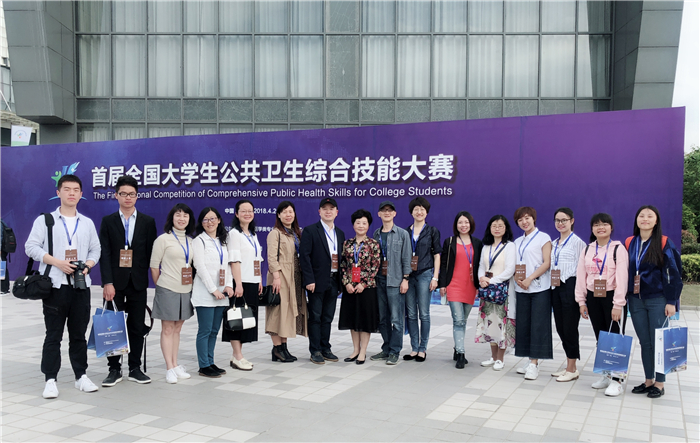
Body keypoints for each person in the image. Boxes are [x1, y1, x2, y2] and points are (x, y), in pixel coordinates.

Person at [25, 174, 101, 399]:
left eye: (76, 190)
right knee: (53, 335)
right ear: (58, 193)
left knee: (78, 335)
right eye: (67, 189)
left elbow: (95, 250)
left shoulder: (86, 223)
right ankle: (50, 379)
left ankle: (81, 376)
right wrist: (57, 262)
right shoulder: (45, 220)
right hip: (55, 286)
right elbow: (31, 247)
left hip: (80, 286)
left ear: (81, 194)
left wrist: (88, 266)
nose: (71, 193)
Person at [98, 175, 157, 387]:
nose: (128, 197)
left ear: (137, 196)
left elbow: (151, 254)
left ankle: (134, 368)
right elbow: (105, 254)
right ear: (116, 195)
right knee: (112, 326)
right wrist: (107, 282)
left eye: (132, 194)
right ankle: (114, 369)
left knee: (136, 326)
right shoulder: (108, 221)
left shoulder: (147, 222)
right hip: (114, 284)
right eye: (123, 194)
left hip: (138, 283)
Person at [626, 205, 682, 398]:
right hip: (636, 300)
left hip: (658, 300)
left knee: (659, 341)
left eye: (650, 216)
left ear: (656, 221)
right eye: (641, 215)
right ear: (636, 219)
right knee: (645, 342)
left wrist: (672, 301)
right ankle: (648, 380)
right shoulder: (630, 242)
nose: (645, 219)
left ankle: (660, 383)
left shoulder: (664, 242)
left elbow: (673, 273)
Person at [575, 213, 629, 396]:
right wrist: (581, 301)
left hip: (612, 297)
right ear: (592, 229)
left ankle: (617, 380)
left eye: (604, 224)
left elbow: (622, 278)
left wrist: (618, 304)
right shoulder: (587, 250)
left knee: (615, 339)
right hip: (593, 297)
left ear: (611, 227)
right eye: (596, 225)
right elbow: (581, 277)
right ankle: (606, 375)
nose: (601, 227)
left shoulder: (618, 249)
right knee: (601, 338)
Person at [150, 203, 196, 384]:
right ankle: (169, 367)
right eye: (178, 215)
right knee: (168, 329)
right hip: (167, 289)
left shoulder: (191, 241)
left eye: (185, 215)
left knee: (178, 329)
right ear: (172, 218)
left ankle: (176, 364)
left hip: (186, 289)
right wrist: (161, 286)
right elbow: (154, 266)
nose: (181, 218)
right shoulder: (163, 239)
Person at [300, 198, 346, 364]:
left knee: (327, 317)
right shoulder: (311, 230)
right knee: (315, 317)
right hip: (316, 282)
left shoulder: (339, 233)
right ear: (319, 212)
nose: (328, 211)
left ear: (336, 212)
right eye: (324, 208)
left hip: (333, 281)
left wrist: (341, 282)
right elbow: (304, 257)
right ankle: (315, 350)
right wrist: (309, 280)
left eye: (331, 208)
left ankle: (326, 347)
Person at [192, 207, 233, 378]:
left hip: (221, 293)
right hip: (205, 293)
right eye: (205, 219)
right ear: (201, 223)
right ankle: (203, 365)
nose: (210, 222)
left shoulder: (222, 241)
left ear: (219, 220)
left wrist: (228, 285)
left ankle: (210, 361)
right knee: (205, 330)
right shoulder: (199, 241)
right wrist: (213, 289)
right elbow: (199, 267)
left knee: (215, 330)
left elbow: (228, 266)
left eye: (212, 218)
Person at [513, 207, 552, 380]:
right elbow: (514, 263)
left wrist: (530, 278)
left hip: (539, 288)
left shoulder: (544, 238)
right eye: (520, 220)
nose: (524, 222)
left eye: (527, 218)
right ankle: (529, 360)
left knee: (538, 325)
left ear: (533, 219)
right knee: (524, 325)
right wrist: (517, 277)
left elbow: (547, 262)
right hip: (521, 289)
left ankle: (534, 364)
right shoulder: (517, 242)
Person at [370, 201, 411, 366]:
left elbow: (407, 257)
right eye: (383, 210)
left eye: (390, 210)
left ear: (394, 213)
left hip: (395, 282)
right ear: (379, 214)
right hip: (379, 281)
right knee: (382, 319)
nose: (386, 213)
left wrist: (406, 279)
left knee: (396, 319)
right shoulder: (376, 234)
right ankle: (386, 348)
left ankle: (395, 351)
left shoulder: (402, 234)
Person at [439, 211, 482, 369]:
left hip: (470, 286)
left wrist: (479, 285)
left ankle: (457, 348)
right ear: (456, 225)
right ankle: (461, 354)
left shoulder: (477, 243)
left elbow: (480, 265)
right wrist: (442, 284)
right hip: (454, 285)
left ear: (471, 224)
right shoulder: (449, 241)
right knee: (458, 320)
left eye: (466, 222)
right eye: (460, 222)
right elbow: (444, 264)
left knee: (463, 320)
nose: (463, 225)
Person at [338, 209, 381, 365]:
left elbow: (375, 266)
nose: (361, 226)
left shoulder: (373, 244)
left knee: (364, 321)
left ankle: (363, 352)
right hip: (350, 288)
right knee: (353, 319)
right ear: (353, 225)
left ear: (368, 225)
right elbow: (343, 265)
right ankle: (355, 350)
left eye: (364, 223)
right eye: (358, 223)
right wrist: (347, 283)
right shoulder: (347, 244)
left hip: (367, 289)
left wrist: (363, 283)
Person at [224, 199, 263, 371]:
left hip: (252, 282)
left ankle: (237, 355)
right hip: (240, 282)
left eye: (250, 210)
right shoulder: (234, 234)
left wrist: (259, 279)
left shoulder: (252, 234)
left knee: (245, 320)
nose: (247, 214)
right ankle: (238, 356)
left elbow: (257, 260)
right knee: (236, 319)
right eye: (243, 211)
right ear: (236, 214)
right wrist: (238, 284)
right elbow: (234, 261)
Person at [267, 201, 307, 362]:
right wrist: (276, 277)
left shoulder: (295, 233)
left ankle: (283, 348)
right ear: (278, 215)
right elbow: (271, 257)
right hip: (281, 277)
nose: (288, 215)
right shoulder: (275, 233)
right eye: (284, 212)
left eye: (290, 211)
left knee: (286, 313)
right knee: (277, 312)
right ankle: (277, 348)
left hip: (294, 277)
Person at [549, 208, 586, 382]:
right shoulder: (554, 243)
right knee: (560, 327)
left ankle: (572, 368)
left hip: (570, 286)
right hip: (555, 286)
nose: (560, 223)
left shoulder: (578, 243)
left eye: (564, 220)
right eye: (557, 220)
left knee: (570, 327)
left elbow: (582, 269)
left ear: (572, 221)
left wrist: (581, 296)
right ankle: (570, 366)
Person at [475, 215, 516, 371]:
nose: (497, 228)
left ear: (506, 228)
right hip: (487, 291)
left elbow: (510, 270)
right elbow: (481, 266)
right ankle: (493, 357)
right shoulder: (486, 246)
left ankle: (500, 358)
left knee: (501, 324)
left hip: (502, 291)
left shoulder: (509, 246)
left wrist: (491, 280)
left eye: (500, 226)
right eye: (494, 226)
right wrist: (481, 279)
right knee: (490, 324)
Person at [403, 197, 442, 362]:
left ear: (426, 212)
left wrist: (435, 277)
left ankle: (422, 348)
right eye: (416, 209)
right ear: (411, 212)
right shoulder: (405, 232)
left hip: (425, 274)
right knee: (411, 314)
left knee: (424, 313)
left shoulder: (432, 231)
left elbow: (437, 255)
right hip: (408, 276)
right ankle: (414, 348)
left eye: (422, 209)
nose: (419, 212)